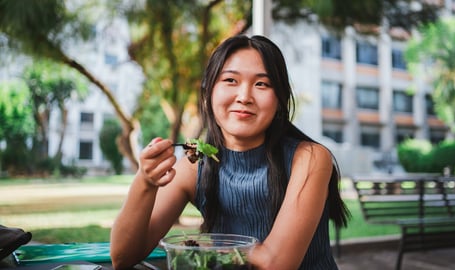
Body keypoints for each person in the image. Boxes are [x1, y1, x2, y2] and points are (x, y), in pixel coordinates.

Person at [110, 34, 350, 270]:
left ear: (279, 100)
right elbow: (123, 257)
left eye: (261, 84)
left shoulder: (310, 158)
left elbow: (276, 263)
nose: (244, 97)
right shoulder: (194, 167)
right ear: (208, 94)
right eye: (230, 81)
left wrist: (206, 248)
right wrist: (145, 182)